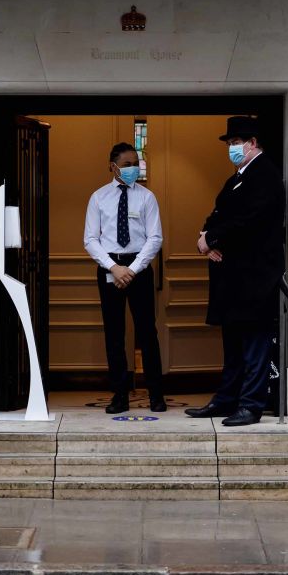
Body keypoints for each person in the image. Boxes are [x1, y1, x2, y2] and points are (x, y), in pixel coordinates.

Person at [186, 116, 285, 427]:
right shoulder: (237, 178)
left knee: (255, 344)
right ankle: (226, 399)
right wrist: (205, 238)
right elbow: (218, 214)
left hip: (254, 278)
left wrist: (212, 238)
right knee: (233, 344)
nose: (231, 148)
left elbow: (250, 220)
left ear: (252, 143)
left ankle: (251, 405)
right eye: (229, 144)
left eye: (234, 143)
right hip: (234, 279)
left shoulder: (264, 174)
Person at [83, 142, 166, 414]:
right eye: (128, 163)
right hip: (110, 268)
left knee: (147, 332)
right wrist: (113, 267)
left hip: (138, 269)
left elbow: (155, 238)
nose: (134, 168)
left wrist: (133, 268)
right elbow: (90, 240)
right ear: (113, 166)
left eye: (136, 163)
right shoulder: (98, 198)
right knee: (114, 334)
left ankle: (156, 395)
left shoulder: (147, 197)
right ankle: (119, 395)